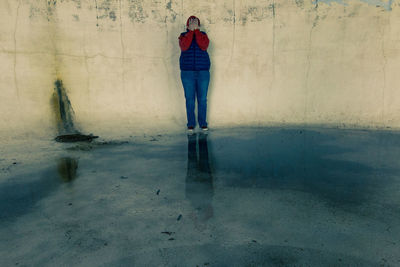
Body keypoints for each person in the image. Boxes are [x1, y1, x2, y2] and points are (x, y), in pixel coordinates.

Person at [178, 16, 211, 133]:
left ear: (199, 25)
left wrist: (196, 32)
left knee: (202, 99)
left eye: (196, 23)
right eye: (191, 23)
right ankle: (191, 124)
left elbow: (204, 45)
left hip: (203, 72)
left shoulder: (203, 35)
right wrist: (191, 32)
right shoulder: (183, 36)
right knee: (190, 99)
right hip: (187, 73)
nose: (193, 24)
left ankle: (203, 123)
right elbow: (184, 46)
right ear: (187, 26)